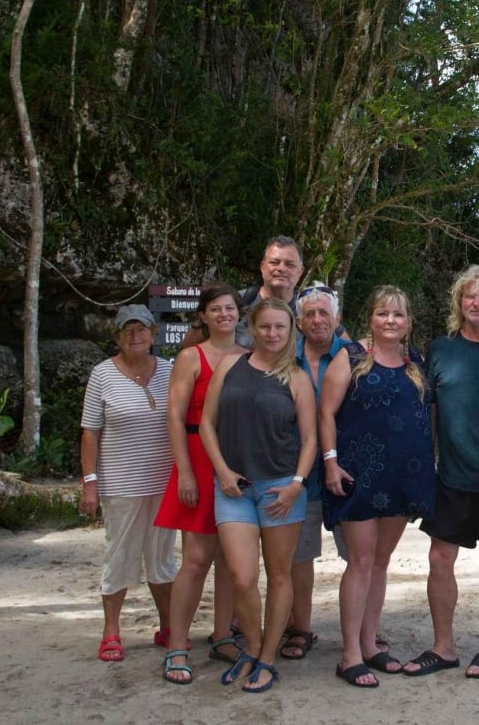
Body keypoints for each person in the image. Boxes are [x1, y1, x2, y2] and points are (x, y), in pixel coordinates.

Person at [407, 265, 479, 679]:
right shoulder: (440, 349)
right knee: (440, 558)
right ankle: (443, 646)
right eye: (468, 296)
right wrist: (428, 470)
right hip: (451, 477)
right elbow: (432, 413)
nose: (476, 303)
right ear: (459, 302)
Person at [198, 297, 317, 693]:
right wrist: (221, 470)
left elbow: (310, 438)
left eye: (280, 327)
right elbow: (206, 425)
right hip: (233, 487)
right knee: (242, 576)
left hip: (280, 488)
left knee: (280, 574)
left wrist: (296, 483)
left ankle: (267, 658)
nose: (272, 334)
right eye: (265, 326)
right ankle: (251, 646)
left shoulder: (297, 378)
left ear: (291, 330)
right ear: (253, 327)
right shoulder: (230, 367)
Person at [320, 286, 436, 688]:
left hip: (403, 474)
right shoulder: (350, 356)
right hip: (357, 473)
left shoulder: (416, 361)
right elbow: (326, 412)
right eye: (383, 313)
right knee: (361, 560)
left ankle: (370, 644)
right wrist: (330, 461)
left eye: (398, 315)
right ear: (370, 317)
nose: (391, 321)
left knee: (382, 561)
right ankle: (350, 653)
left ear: (408, 322)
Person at [155, 283, 247, 684]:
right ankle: (177, 645)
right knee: (195, 559)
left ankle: (224, 634)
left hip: (237, 460)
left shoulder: (249, 357)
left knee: (230, 559)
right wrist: (186, 471)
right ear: (204, 316)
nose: (224, 314)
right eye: (216, 309)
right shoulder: (191, 357)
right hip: (197, 457)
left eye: (230, 308)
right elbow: (174, 417)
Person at [79, 304, 177, 663]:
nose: (136, 336)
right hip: (121, 484)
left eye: (142, 329)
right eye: (127, 331)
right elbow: (90, 432)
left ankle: (168, 627)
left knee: (162, 559)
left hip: (165, 483)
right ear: (117, 337)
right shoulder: (102, 375)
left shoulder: (170, 370)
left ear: (153, 334)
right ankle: (111, 633)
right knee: (119, 556)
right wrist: (90, 483)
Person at [282, 283, 350, 661]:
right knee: (299, 556)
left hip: (345, 468)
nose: (318, 319)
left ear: (337, 319)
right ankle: (300, 627)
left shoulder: (355, 356)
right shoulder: (282, 357)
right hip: (297, 470)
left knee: (357, 555)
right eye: (310, 314)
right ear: (298, 321)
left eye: (324, 313)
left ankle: (361, 632)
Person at [235, 236, 304, 348]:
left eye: (289, 264)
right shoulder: (237, 302)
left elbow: (340, 345)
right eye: (274, 262)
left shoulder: (309, 310)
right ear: (262, 267)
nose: (281, 268)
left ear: (300, 272)